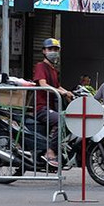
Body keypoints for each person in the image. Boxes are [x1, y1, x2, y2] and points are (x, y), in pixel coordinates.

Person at [33, 38, 74, 168]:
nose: (53, 52)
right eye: (50, 49)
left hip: (50, 108)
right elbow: (43, 84)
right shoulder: (41, 66)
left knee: (69, 119)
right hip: (41, 108)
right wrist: (62, 92)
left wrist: (69, 92)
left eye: (56, 49)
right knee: (63, 120)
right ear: (44, 51)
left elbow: (58, 86)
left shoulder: (54, 70)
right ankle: (50, 152)